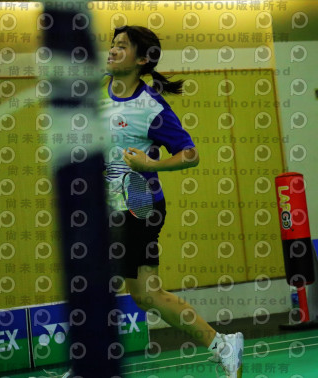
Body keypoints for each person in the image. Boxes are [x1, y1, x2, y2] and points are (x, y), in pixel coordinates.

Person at [101, 25, 244, 378]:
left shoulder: (150, 107)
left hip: (138, 207)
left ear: (142, 60)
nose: (113, 50)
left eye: (122, 46)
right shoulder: (96, 92)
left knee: (99, 283)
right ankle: (223, 345)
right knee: (146, 295)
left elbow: (190, 153)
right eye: (113, 44)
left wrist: (151, 164)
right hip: (109, 207)